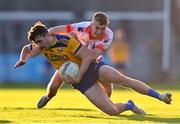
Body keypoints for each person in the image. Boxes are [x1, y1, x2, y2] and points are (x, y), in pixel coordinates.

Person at [14, 22, 172, 115]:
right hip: (78, 80)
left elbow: (88, 56)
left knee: (123, 80)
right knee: (112, 111)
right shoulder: (40, 46)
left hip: (90, 67)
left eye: (40, 41)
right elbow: (26, 49)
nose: (38, 45)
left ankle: (160, 96)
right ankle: (129, 105)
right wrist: (22, 60)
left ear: (48, 35)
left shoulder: (66, 40)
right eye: (37, 43)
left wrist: (78, 76)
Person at [31, 12, 114, 109]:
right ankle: (48, 96)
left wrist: (78, 42)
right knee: (53, 87)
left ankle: (107, 103)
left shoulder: (108, 35)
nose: (98, 31)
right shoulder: (80, 27)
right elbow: (52, 30)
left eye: (102, 28)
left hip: (91, 61)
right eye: (96, 27)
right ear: (92, 23)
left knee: (107, 84)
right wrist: (39, 45)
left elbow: (91, 56)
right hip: (70, 61)